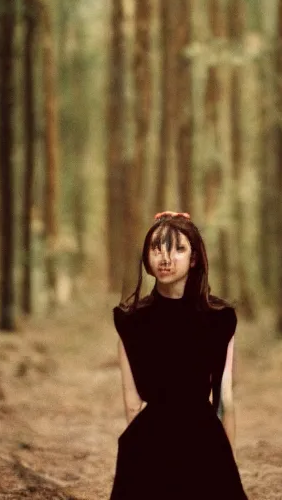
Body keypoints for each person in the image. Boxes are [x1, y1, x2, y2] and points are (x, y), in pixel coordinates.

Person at [110, 211, 247, 499]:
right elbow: (224, 403)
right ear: (147, 258)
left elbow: (133, 407)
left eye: (178, 249)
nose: (165, 258)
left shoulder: (219, 319)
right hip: (199, 441)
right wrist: (223, 465)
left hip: (157, 441)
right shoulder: (217, 318)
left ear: (194, 258)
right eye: (156, 248)